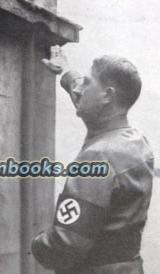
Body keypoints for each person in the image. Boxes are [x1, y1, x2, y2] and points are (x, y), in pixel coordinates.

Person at [32, 48, 154, 274]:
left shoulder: (97, 157)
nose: (79, 89)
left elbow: (64, 245)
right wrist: (67, 73)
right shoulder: (136, 142)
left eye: (87, 83)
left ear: (107, 96)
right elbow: (85, 101)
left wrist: (37, 244)